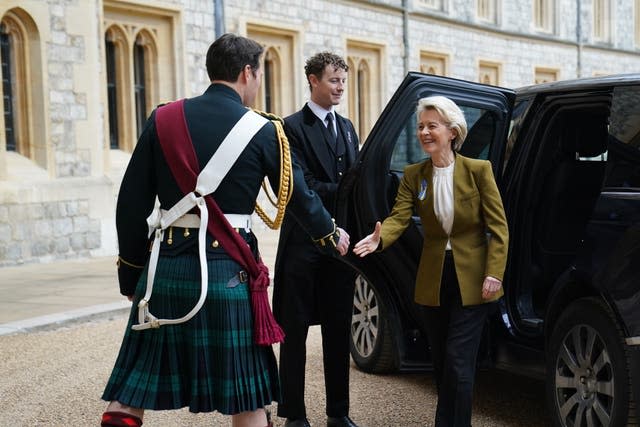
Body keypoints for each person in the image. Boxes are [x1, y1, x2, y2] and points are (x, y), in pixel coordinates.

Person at [100, 33, 350, 427]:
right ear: (247, 72)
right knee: (247, 399)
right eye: (259, 75)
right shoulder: (264, 130)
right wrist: (330, 233)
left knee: (129, 394)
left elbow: (131, 204)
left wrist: (132, 272)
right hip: (230, 268)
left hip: (164, 269)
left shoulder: (163, 117)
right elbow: (298, 197)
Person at [353, 96, 508, 427]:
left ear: (452, 132)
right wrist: (381, 237)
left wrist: (494, 272)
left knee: (458, 360)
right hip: (435, 278)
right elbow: (399, 216)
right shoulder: (415, 174)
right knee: (440, 360)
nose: (424, 132)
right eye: (420, 126)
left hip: (475, 278)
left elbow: (499, 228)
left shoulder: (479, 171)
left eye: (431, 126)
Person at [272, 52, 359, 427]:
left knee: (340, 330)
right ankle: (294, 415)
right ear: (312, 80)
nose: (340, 87)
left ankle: (338, 414)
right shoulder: (290, 127)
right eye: (333, 80)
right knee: (294, 333)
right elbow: (297, 186)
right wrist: (343, 190)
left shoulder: (350, 127)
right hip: (303, 246)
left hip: (340, 248)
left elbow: (355, 181)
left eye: (343, 81)